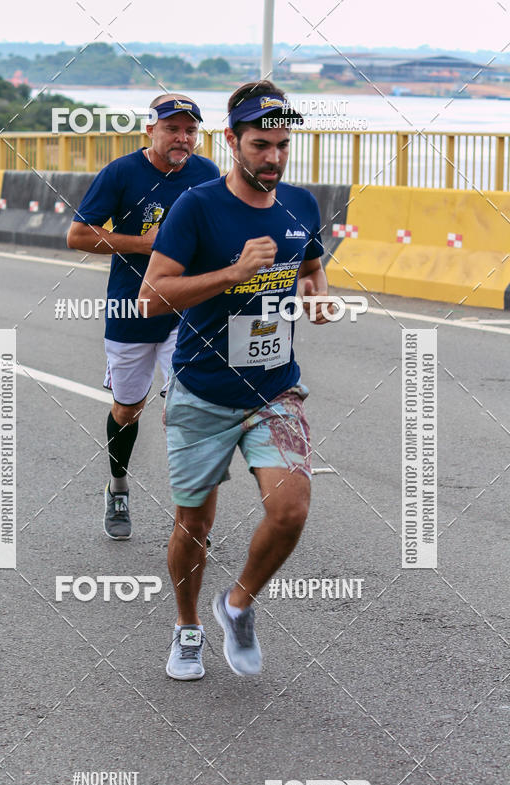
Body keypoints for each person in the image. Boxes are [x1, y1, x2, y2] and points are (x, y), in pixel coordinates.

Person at [140, 81, 337, 680]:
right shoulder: (196, 206)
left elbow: (309, 263)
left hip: (275, 388)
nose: (273, 158)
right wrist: (233, 273)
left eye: (282, 145)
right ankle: (187, 627)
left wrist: (316, 295)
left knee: (291, 509)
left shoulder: (299, 203)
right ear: (231, 141)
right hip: (202, 390)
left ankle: (238, 605)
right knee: (194, 522)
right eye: (260, 145)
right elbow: (152, 298)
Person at [67, 95, 220, 539]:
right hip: (130, 308)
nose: (182, 138)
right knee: (127, 409)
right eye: (172, 128)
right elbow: (77, 235)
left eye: (190, 130)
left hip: (186, 313)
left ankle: (191, 517)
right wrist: (145, 243)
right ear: (149, 131)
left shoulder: (206, 174)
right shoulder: (121, 173)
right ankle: (118, 487)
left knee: (188, 410)